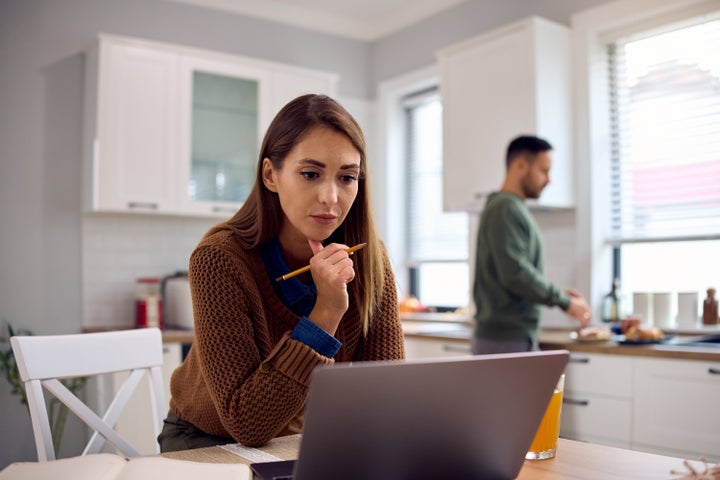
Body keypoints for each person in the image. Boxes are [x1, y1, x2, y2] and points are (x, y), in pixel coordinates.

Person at [158, 94, 405, 451]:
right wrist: (327, 313)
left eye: (347, 177)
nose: (331, 197)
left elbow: (387, 395)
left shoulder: (369, 259)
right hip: (207, 440)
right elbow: (247, 423)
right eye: (310, 174)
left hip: (307, 439)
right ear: (271, 175)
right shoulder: (220, 258)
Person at [471, 135, 592, 355]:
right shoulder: (505, 208)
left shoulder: (508, 207)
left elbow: (515, 272)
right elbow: (516, 274)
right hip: (505, 340)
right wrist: (564, 302)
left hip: (509, 337)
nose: (548, 179)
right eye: (543, 171)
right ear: (520, 165)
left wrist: (557, 295)